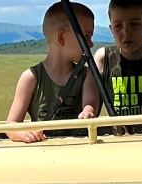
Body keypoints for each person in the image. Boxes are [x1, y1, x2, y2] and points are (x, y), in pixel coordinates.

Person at [7, 1, 96, 142]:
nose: (90, 44)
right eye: (85, 37)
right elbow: (11, 125)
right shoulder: (31, 78)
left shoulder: (87, 75)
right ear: (61, 37)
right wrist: (24, 134)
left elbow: (89, 106)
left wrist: (88, 112)